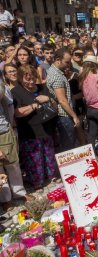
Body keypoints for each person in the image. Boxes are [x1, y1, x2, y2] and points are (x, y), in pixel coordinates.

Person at [12, 65, 58, 189]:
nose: (31, 82)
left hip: (46, 128)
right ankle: (38, 183)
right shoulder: (16, 91)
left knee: (49, 157)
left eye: (33, 78)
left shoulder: (42, 87)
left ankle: (52, 178)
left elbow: (54, 104)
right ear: (21, 79)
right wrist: (34, 105)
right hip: (29, 132)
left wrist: (48, 98)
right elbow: (16, 112)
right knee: (35, 161)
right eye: (28, 79)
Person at [0, 82, 34, 212]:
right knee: (0, 169)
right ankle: (5, 199)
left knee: (13, 164)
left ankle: (19, 192)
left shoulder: (2, 84)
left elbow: (7, 104)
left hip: (4, 130)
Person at [46, 48, 80, 152]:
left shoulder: (57, 72)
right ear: (57, 60)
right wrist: (74, 116)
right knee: (68, 146)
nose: (69, 64)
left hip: (63, 115)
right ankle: (69, 168)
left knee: (69, 143)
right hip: (64, 115)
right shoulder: (56, 76)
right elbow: (62, 100)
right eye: (67, 62)